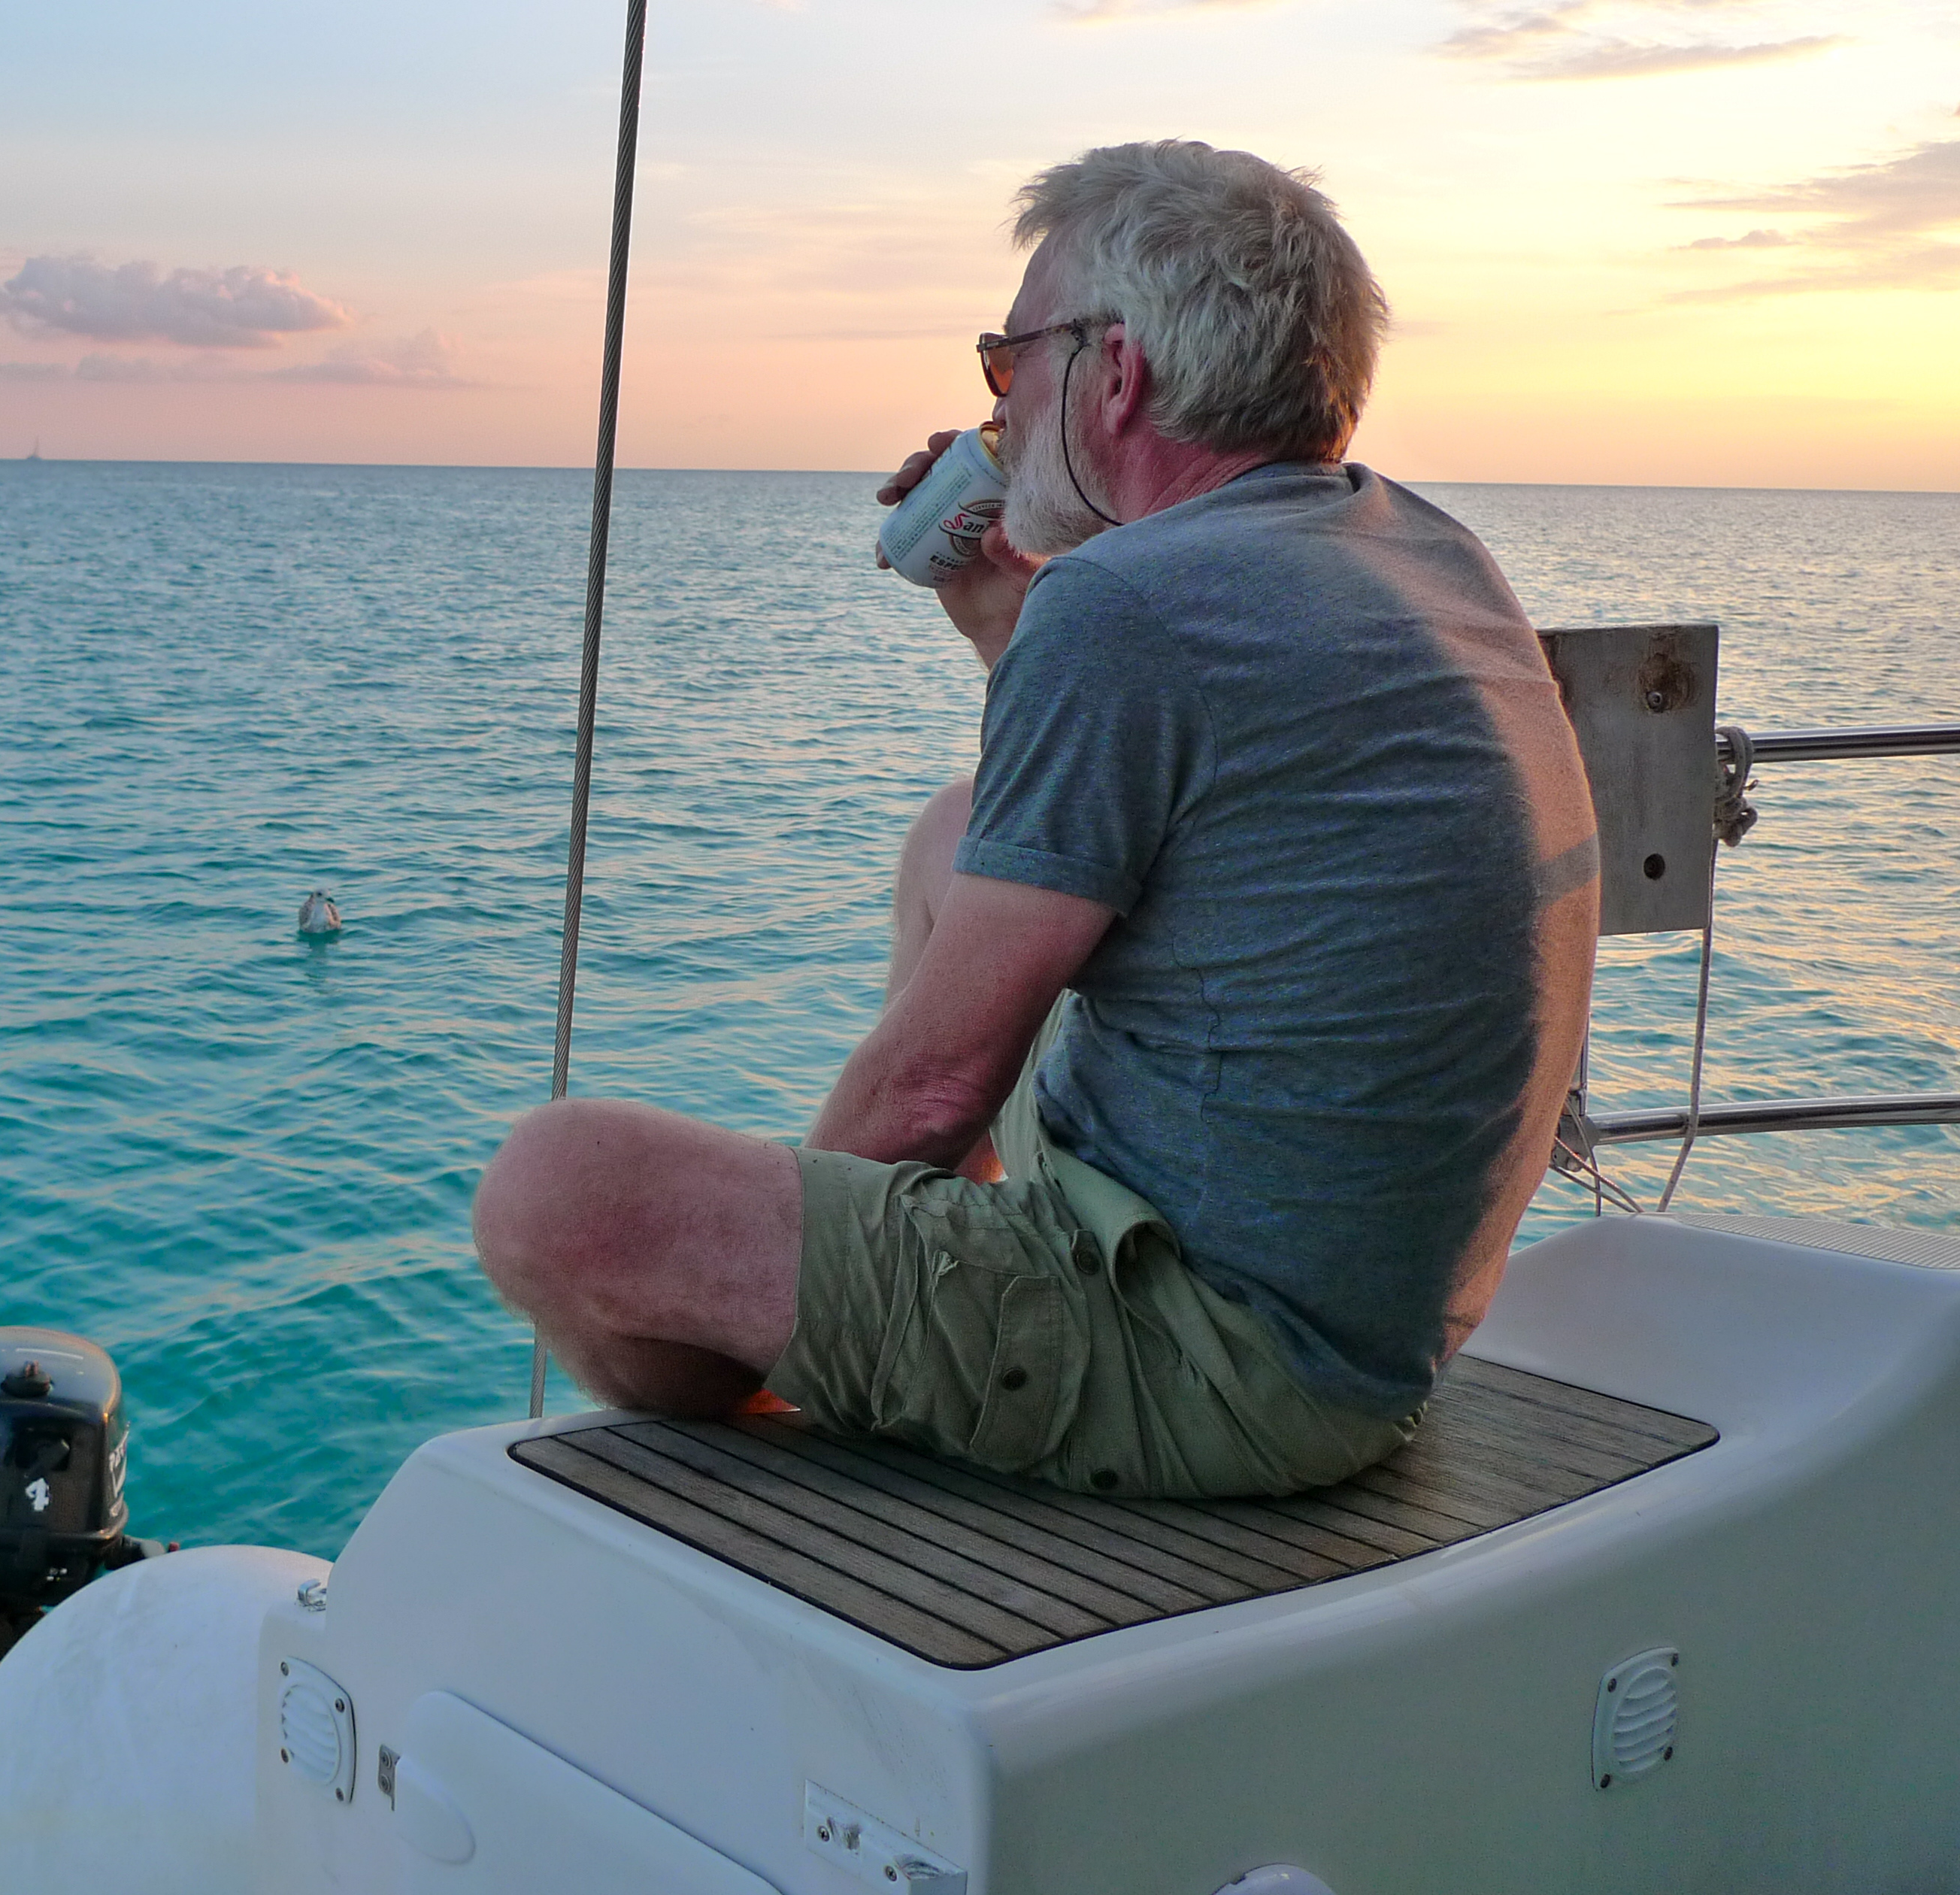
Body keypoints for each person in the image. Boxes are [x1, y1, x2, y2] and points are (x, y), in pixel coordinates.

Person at [472, 140, 1598, 1498]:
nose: (998, 410)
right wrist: (1004, 622)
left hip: (1222, 1367)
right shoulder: (1414, 544)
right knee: (957, 836)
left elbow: (936, 1086)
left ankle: (805, 1387)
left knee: (561, 1191)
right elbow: (1160, 811)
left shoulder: (1125, 604)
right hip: (1372, 1329)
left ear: (1115, 372)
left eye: (1010, 364)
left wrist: (789, 1270)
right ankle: (938, 1290)